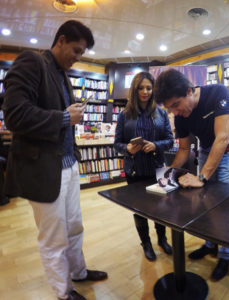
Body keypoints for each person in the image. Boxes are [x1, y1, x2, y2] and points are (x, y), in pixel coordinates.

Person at [3, 20, 107, 300]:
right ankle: (63, 293)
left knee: (74, 226)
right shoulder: (31, 62)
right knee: (53, 237)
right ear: (60, 40)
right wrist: (64, 117)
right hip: (43, 170)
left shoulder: (62, 74)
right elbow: (14, 115)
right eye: (76, 50)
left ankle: (78, 272)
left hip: (69, 165)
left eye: (82, 53)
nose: (78, 57)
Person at [154, 68, 229, 281]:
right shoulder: (181, 116)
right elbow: (184, 150)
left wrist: (201, 177)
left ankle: (225, 255)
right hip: (204, 152)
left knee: (225, 207)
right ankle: (210, 244)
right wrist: (169, 173)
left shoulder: (218, 92)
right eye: (169, 108)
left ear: (190, 91)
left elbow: (222, 137)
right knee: (207, 205)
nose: (175, 112)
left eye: (176, 104)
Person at [114, 72, 174, 262]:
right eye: (141, 88)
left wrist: (156, 145)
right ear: (135, 89)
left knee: (160, 208)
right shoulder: (124, 115)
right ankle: (146, 243)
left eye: (149, 88)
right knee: (139, 209)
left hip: (157, 167)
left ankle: (162, 239)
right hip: (134, 169)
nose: (145, 91)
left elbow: (170, 141)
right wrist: (128, 149)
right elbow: (117, 144)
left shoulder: (162, 113)